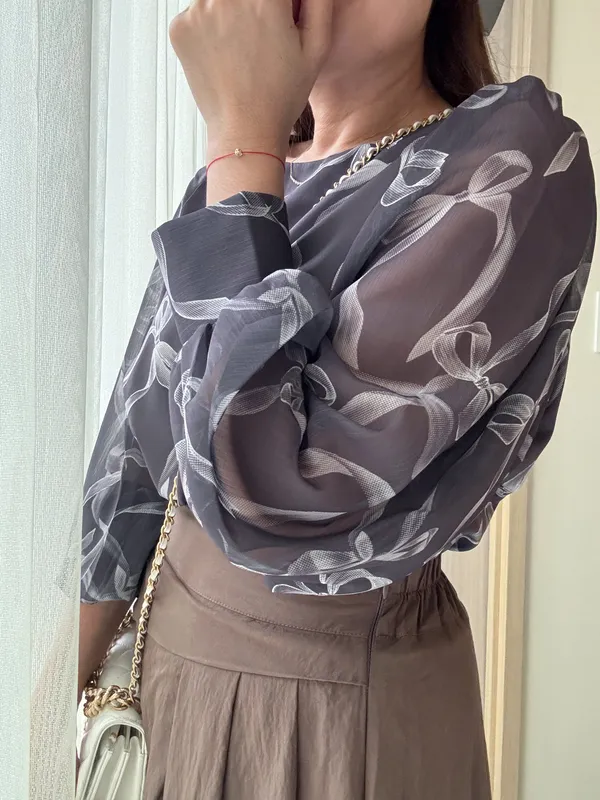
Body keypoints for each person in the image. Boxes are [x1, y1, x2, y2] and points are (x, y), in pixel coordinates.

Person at [78, 0, 596, 797]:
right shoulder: (244, 175)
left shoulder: (511, 162)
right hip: (160, 691)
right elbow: (131, 468)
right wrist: (53, 709)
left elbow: (279, 501)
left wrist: (240, 140)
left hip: (321, 722)